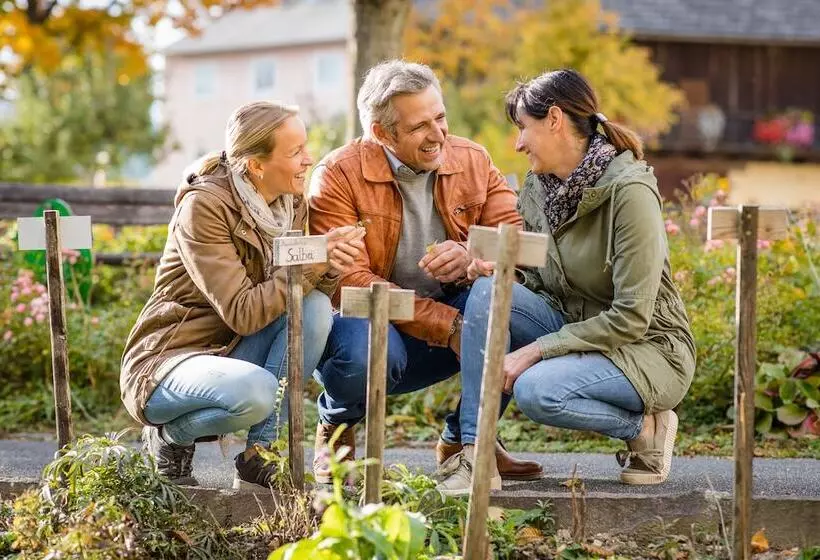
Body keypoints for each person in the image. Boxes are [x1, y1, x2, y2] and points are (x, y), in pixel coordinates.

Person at [437, 69, 696, 494]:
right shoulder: (539, 189)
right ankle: (475, 451)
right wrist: (501, 273)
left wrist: (537, 350)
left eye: (524, 127)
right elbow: (539, 276)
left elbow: (631, 317)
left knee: (536, 391)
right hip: (576, 328)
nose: (518, 143)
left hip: (647, 348)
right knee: (487, 292)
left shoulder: (629, 193)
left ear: (554, 119)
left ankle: (644, 425)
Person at [308, 60, 543, 484]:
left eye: (440, 117)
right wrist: (447, 324)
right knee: (366, 356)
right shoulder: (337, 175)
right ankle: (336, 428)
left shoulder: (472, 158)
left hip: (450, 307)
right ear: (382, 133)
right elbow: (349, 282)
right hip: (371, 319)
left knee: (514, 315)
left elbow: (513, 237)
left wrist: (471, 256)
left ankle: (466, 440)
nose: (439, 135)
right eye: (420, 126)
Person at [120, 101, 365, 490]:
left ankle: (258, 455)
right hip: (171, 361)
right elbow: (244, 312)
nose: (308, 159)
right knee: (257, 393)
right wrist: (313, 264)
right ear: (256, 165)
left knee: (315, 307)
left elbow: (300, 290)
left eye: (306, 146)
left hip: (234, 351)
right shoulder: (204, 208)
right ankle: (169, 437)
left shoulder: (290, 203)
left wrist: (330, 261)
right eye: (295, 151)